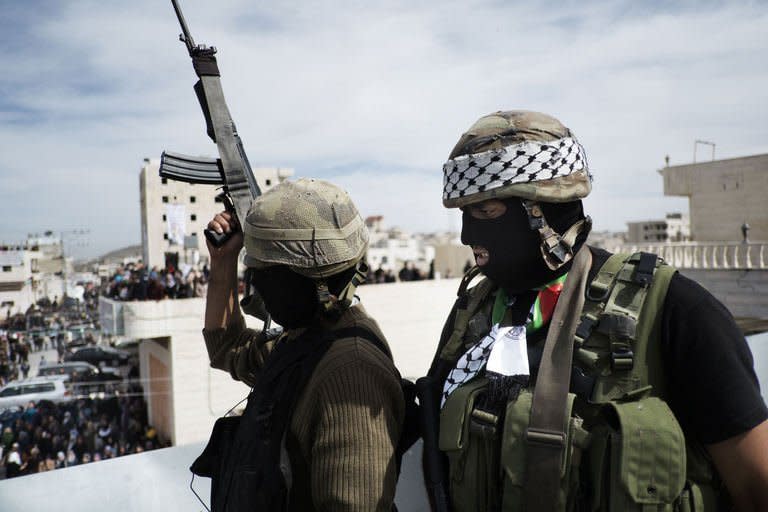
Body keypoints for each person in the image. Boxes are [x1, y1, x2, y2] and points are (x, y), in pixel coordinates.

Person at [423, 110, 768, 511]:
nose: (469, 236)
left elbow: (755, 488)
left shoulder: (676, 312)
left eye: (487, 212)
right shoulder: (477, 309)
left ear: (543, 209)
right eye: (465, 215)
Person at [200, 178, 404, 511]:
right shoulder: (308, 338)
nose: (258, 284)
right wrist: (223, 261)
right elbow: (228, 347)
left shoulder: (349, 372)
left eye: (266, 271)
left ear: (312, 277)